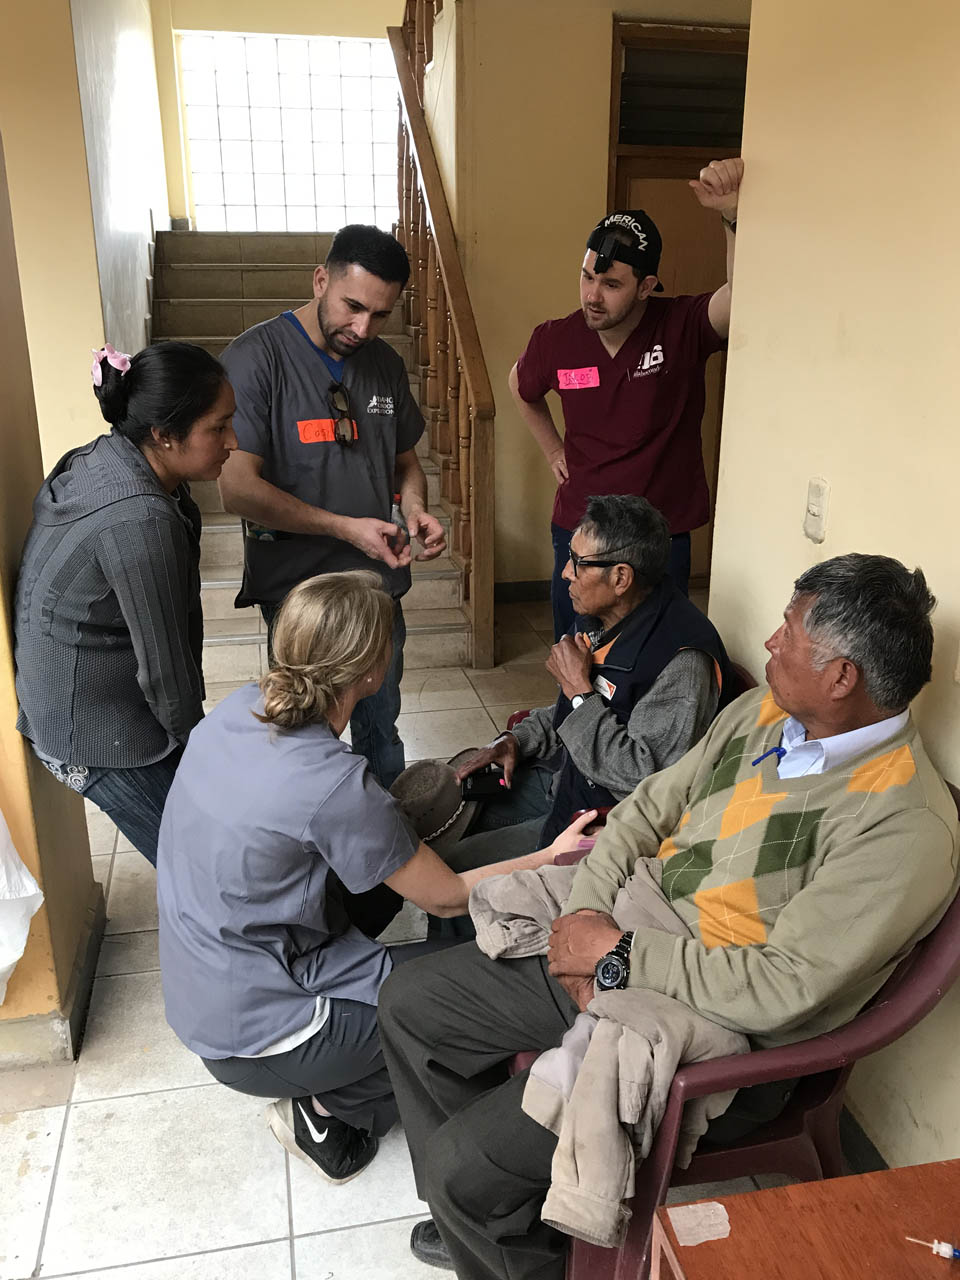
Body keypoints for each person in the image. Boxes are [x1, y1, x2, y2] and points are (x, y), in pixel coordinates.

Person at [378, 553, 960, 1278]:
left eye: (790, 630)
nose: (771, 643)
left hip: (715, 1029)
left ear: (843, 677)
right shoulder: (763, 713)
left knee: (461, 1170)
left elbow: (781, 991)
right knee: (408, 1003)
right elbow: (647, 806)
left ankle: (487, 1209)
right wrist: (585, 920)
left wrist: (616, 958)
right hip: (628, 929)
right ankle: (504, 1217)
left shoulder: (903, 826)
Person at [156, 570, 593, 1186]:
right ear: (372, 669)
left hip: (204, 993)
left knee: (401, 936)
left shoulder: (235, 711)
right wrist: (549, 857)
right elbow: (444, 899)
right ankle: (329, 1110)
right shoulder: (332, 783)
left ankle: (334, 1078)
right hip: (258, 1033)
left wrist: (389, 830)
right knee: (458, 1023)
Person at [217, 223, 447, 788]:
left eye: (381, 315)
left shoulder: (385, 367)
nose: (363, 327)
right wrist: (344, 529)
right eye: (352, 307)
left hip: (376, 592)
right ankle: (311, 854)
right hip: (297, 597)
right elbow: (236, 488)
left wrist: (414, 508)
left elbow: (405, 462)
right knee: (301, 739)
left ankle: (387, 853)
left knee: (380, 729)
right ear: (321, 280)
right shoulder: (255, 359)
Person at [14, 341, 237, 865]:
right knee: (204, 869)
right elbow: (165, 670)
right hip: (91, 729)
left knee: (214, 836)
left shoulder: (109, 454)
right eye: (218, 427)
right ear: (164, 435)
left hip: (85, 695)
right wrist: (198, 755)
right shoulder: (138, 517)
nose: (234, 440)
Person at [440, 493, 729, 884]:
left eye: (578, 564)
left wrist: (578, 690)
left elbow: (643, 776)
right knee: (450, 808)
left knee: (453, 870)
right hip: (567, 779)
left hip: (603, 824)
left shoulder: (682, 661)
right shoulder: (602, 618)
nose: (565, 573)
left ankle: (481, 937)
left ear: (621, 578)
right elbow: (572, 712)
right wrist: (515, 740)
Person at [510, 158, 744, 638]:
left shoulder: (681, 325)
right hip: (583, 531)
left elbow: (742, 298)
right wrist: (553, 449)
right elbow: (520, 385)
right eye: (587, 277)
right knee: (577, 650)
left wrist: (732, 217)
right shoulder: (555, 340)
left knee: (658, 656)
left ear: (646, 287)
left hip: (659, 534)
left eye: (612, 284)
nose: (593, 296)